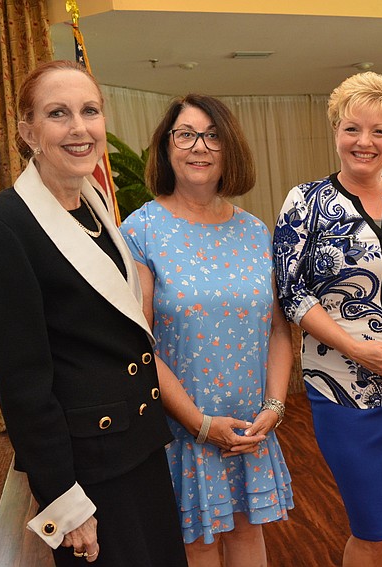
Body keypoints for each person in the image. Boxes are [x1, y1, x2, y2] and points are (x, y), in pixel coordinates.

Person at [0, 60, 188, 566]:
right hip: (87, 468)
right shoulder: (3, 229)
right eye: (57, 113)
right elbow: (24, 386)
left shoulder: (93, 204)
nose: (78, 127)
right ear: (28, 131)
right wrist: (64, 503)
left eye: (90, 111)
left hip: (139, 448)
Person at [272, 72, 382, 567]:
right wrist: (356, 349)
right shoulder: (304, 203)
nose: (365, 142)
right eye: (352, 128)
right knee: (373, 524)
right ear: (335, 132)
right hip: (343, 389)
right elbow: (292, 293)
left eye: (379, 131)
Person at [120, 94, 294, 567]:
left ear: (230, 148)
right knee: (196, 546)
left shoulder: (257, 232)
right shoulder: (140, 230)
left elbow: (280, 331)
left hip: (251, 427)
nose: (200, 146)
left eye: (212, 135)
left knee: (247, 536)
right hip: (185, 429)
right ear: (167, 147)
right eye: (186, 134)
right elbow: (139, 344)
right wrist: (200, 425)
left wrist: (274, 407)